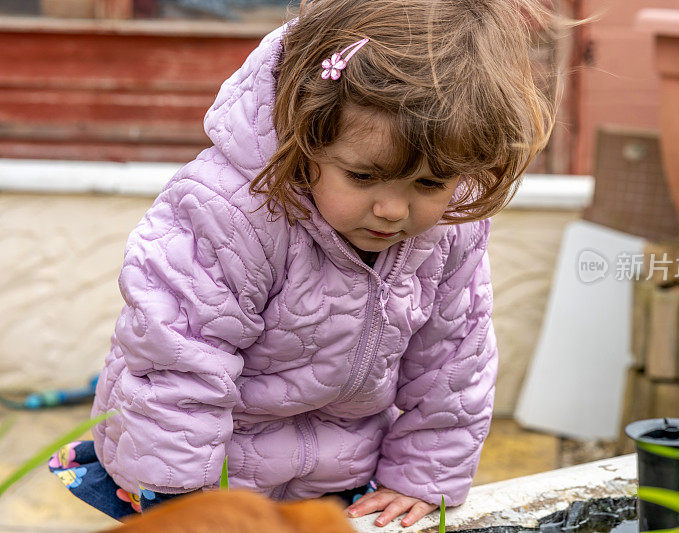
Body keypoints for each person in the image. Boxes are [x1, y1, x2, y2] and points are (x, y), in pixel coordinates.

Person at [49, 0, 557, 527]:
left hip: (339, 480)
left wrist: (422, 477)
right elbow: (176, 358)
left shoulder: (448, 231)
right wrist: (189, 499)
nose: (393, 209)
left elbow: (455, 363)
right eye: (363, 177)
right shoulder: (229, 213)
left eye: (430, 184)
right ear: (307, 134)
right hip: (205, 474)